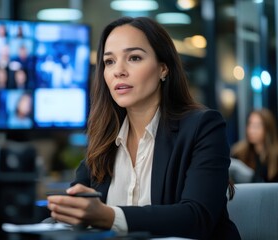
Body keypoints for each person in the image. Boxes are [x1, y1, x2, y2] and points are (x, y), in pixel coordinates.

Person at [46, 17, 240, 239]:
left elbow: (197, 218)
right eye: (109, 62)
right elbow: (71, 210)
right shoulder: (104, 139)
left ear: (163, 69)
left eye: (134, 58)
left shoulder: (203, 127)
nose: (118, 70)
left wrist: (109, 216)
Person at [231, 108, 278, 182]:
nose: (251, 130)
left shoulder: (275, 156)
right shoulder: (238, 152)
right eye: (249, 124)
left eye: (256, 126)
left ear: (267, 129)